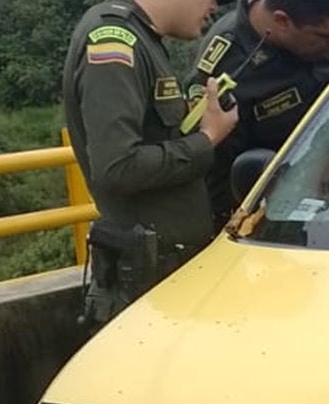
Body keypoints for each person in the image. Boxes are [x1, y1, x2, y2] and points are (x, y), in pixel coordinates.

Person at [64, 0, 239, 327]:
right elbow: (117, 167)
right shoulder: (113, 41)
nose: (215, 5)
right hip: (145, 287)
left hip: (168, 278)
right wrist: (206, 139)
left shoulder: (145, 39)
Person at [189, 0, 329, 226]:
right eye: (325, 36)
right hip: (285, 212)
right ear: (282, 21)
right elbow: (218, 181)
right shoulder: (228, 70)